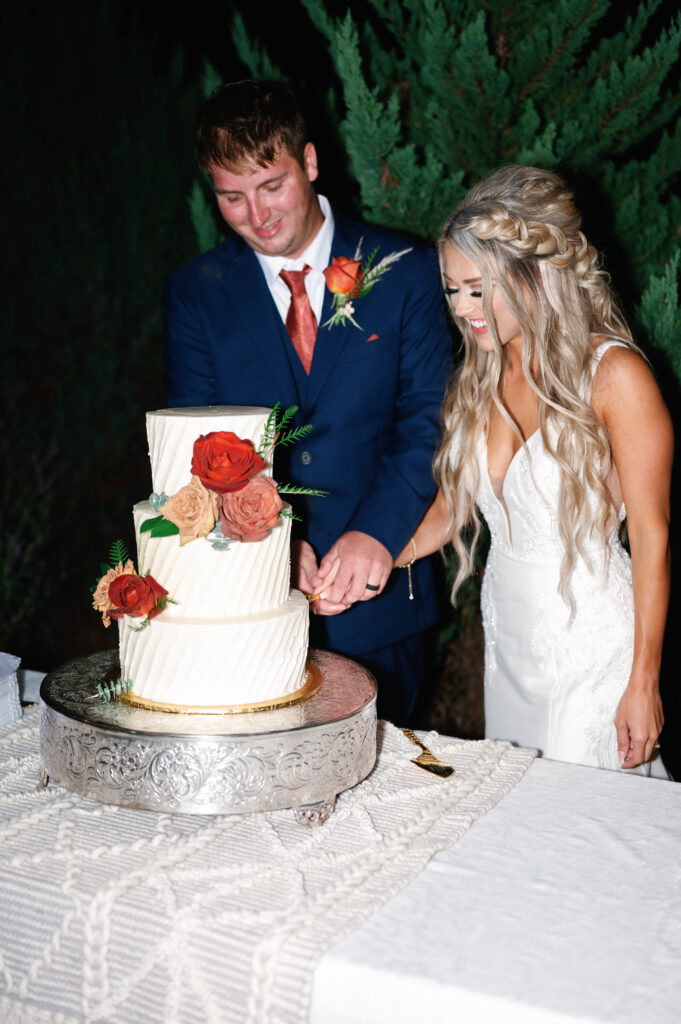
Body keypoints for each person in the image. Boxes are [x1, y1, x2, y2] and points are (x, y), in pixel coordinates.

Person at [163, 80, 452, 723]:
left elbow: (427, 423)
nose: (257, 216)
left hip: (384, 599)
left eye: (272, 186)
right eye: (231, 197)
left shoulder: (404, 270)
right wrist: (269, 540)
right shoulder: (195, 295)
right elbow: (199, 443)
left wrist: (378, 533)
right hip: (252, 603)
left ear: (311, 162)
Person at [394, 164, 672, 773]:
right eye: (451, 289)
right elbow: (453, 507)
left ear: (535, 274)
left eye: (477, 287)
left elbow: (652, 535)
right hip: (509, 642)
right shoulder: (485, 370)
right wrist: (379, 562)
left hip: (591, 649)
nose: (463, 309)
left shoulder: (614, 376)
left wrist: (644, 681)